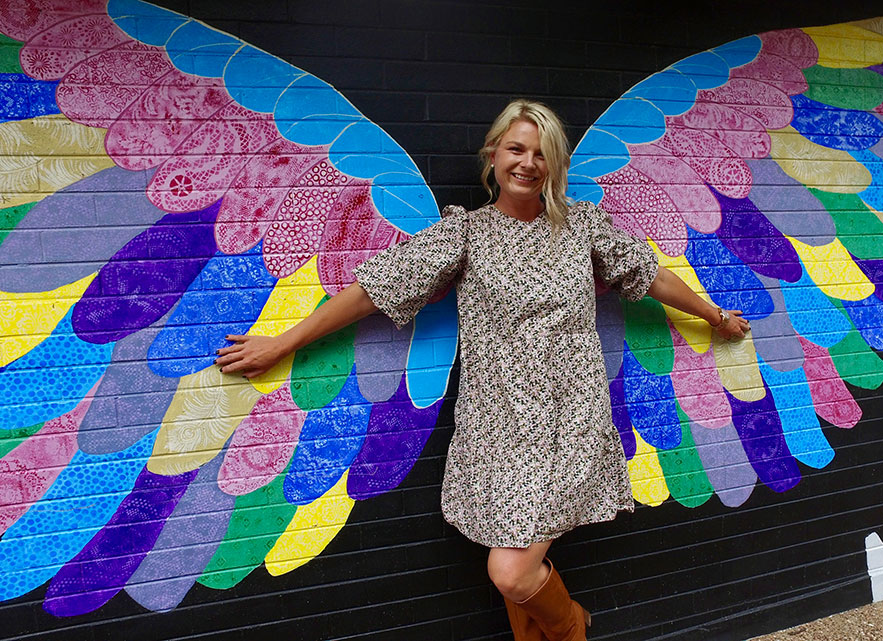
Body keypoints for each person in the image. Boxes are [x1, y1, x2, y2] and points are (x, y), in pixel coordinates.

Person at [216, 99, 749, 641]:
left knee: (511, 570)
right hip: (497, 428)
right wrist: (282, 343)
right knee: (514, 570)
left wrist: (715, 315)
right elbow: (372, 291)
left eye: (542, 153)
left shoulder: (584, 227)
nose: (528, 163)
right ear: (493, 154)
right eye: (516, 148)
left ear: (556, 164)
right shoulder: (465, 234)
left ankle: (573, 629)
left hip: (573, 418)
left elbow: (649, 275)